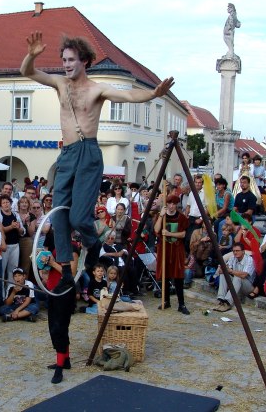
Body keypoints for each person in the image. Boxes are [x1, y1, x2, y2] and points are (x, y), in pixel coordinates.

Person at [20, 31, 173, 297]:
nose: (66, 64)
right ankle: (67, 270)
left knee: (79, 216)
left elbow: (127, 96)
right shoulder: (59, 83)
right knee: (59, 215)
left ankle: (93, 245)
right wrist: (32, 55)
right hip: (66, 154)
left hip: (88, 152)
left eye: (71, 60)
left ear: (85, 61)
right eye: (64, 59)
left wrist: (153, 94)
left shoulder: (96, 89)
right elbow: (28, 72)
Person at [153, 194, 190, 314]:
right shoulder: (162, 216)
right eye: (170, 203)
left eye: (174, 204)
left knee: (178, 276)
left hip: (176, 248)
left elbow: (183, 234)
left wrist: (169, 234)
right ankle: (166, 301)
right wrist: (160, 215)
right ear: (167, 204)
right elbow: (157, 230)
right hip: (164, 248)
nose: (172, 206)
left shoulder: (182, 218)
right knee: (165, 275)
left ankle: (181, 304)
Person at [212, 243, 255, 312]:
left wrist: (230, 271)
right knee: (224, 274)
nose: (235, 252)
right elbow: (221, 271)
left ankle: (228, 302)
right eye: (234, 251)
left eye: (237, 251)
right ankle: (221, 299)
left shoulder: (249, 260)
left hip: (248, 286)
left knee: (238, 277)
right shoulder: (232, 258)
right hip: (236, 284)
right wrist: (223, 268)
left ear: (243, 251)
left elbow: (244, 275)